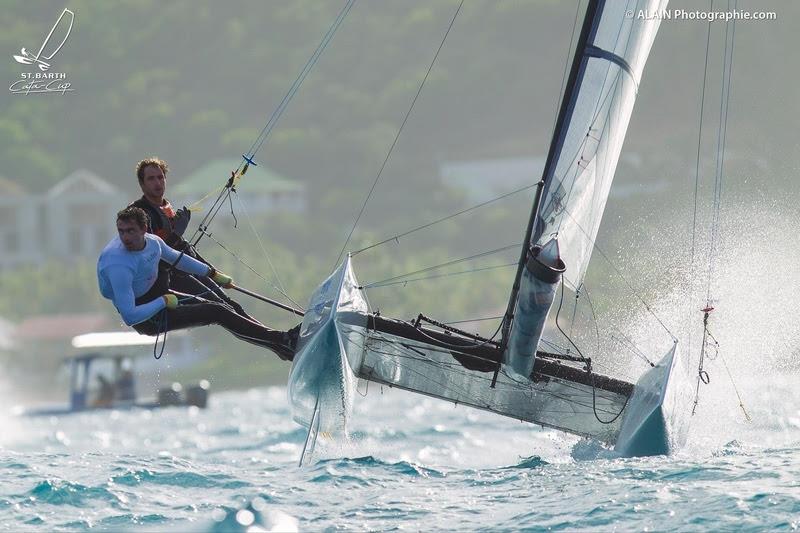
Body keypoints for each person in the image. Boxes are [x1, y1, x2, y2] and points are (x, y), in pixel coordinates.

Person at [97, 206, 296, 361]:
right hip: (147, 317)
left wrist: (212, 273)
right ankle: (282, 340)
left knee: (225, 306)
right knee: (216, 312)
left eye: (130, 231)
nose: (125, 237)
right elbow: (130, 317)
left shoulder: (154, 242)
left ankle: (281, 346)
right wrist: (163, 302)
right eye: (121, 231)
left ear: (144, 229)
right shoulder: (117, 265)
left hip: (159, 294)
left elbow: (177, 258)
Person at [129, 157, 256, 321]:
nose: (157, 182)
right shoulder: (139, 213)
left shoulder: (165, 206)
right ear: (142, 184)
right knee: (223, 308)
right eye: (151, 178)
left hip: (186, 267)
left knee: (230, 304)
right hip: (170, 279)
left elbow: (182, 246)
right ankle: (280, 340)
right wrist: (177, 232)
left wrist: (213, 272)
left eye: (160, 177)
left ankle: (281, 340)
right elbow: (154, 255)